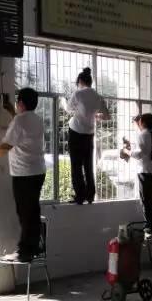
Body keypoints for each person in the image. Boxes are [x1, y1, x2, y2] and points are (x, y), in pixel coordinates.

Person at [0, 88, 46, 261]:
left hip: (23, 173)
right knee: (32, 209)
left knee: (25, 212)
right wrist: (10, 110)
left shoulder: (19, 121)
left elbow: (6, 146)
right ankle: (35, 246)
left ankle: (25, 252)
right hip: (38, 172)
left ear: (21, 103)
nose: (16, 104)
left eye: (17, 102)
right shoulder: (37, 119)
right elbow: (21, 126)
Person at [64, 67, 110, 205]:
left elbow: (68, 109)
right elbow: (107, 116)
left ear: (80, 81)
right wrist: (97, 116)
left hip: (76, 132)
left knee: (76, 166)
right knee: (88, 165)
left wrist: (62, 102)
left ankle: (80, 196)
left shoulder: (78, 93)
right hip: (89, 134)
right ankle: (90, 195)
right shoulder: (97, 96)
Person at [122, 113, 152, 236]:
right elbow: (145, 149)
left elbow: (140, 154)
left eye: (139, 121)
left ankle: (150, 227)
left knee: (146, 201)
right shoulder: (150, 133)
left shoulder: (143, 134)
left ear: (142, 122)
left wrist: (127, 151)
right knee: (150, 201)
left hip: (145, 171)